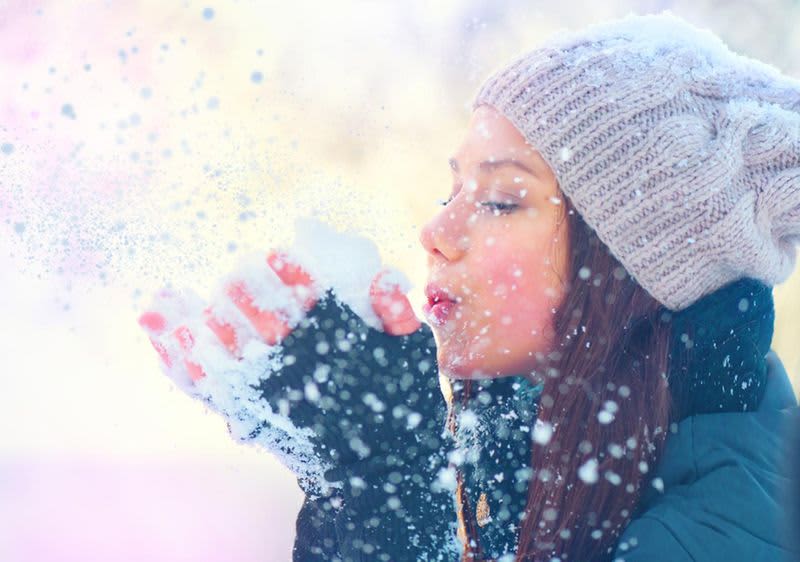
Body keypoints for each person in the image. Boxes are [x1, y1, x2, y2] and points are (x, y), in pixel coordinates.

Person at [138, 12, 800, 562]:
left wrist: (386, 487)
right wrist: (339, 478)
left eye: (503, 200)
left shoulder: (725, 536)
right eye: (453, 190)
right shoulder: (568, 453)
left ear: (637, 269)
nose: (436, 231)